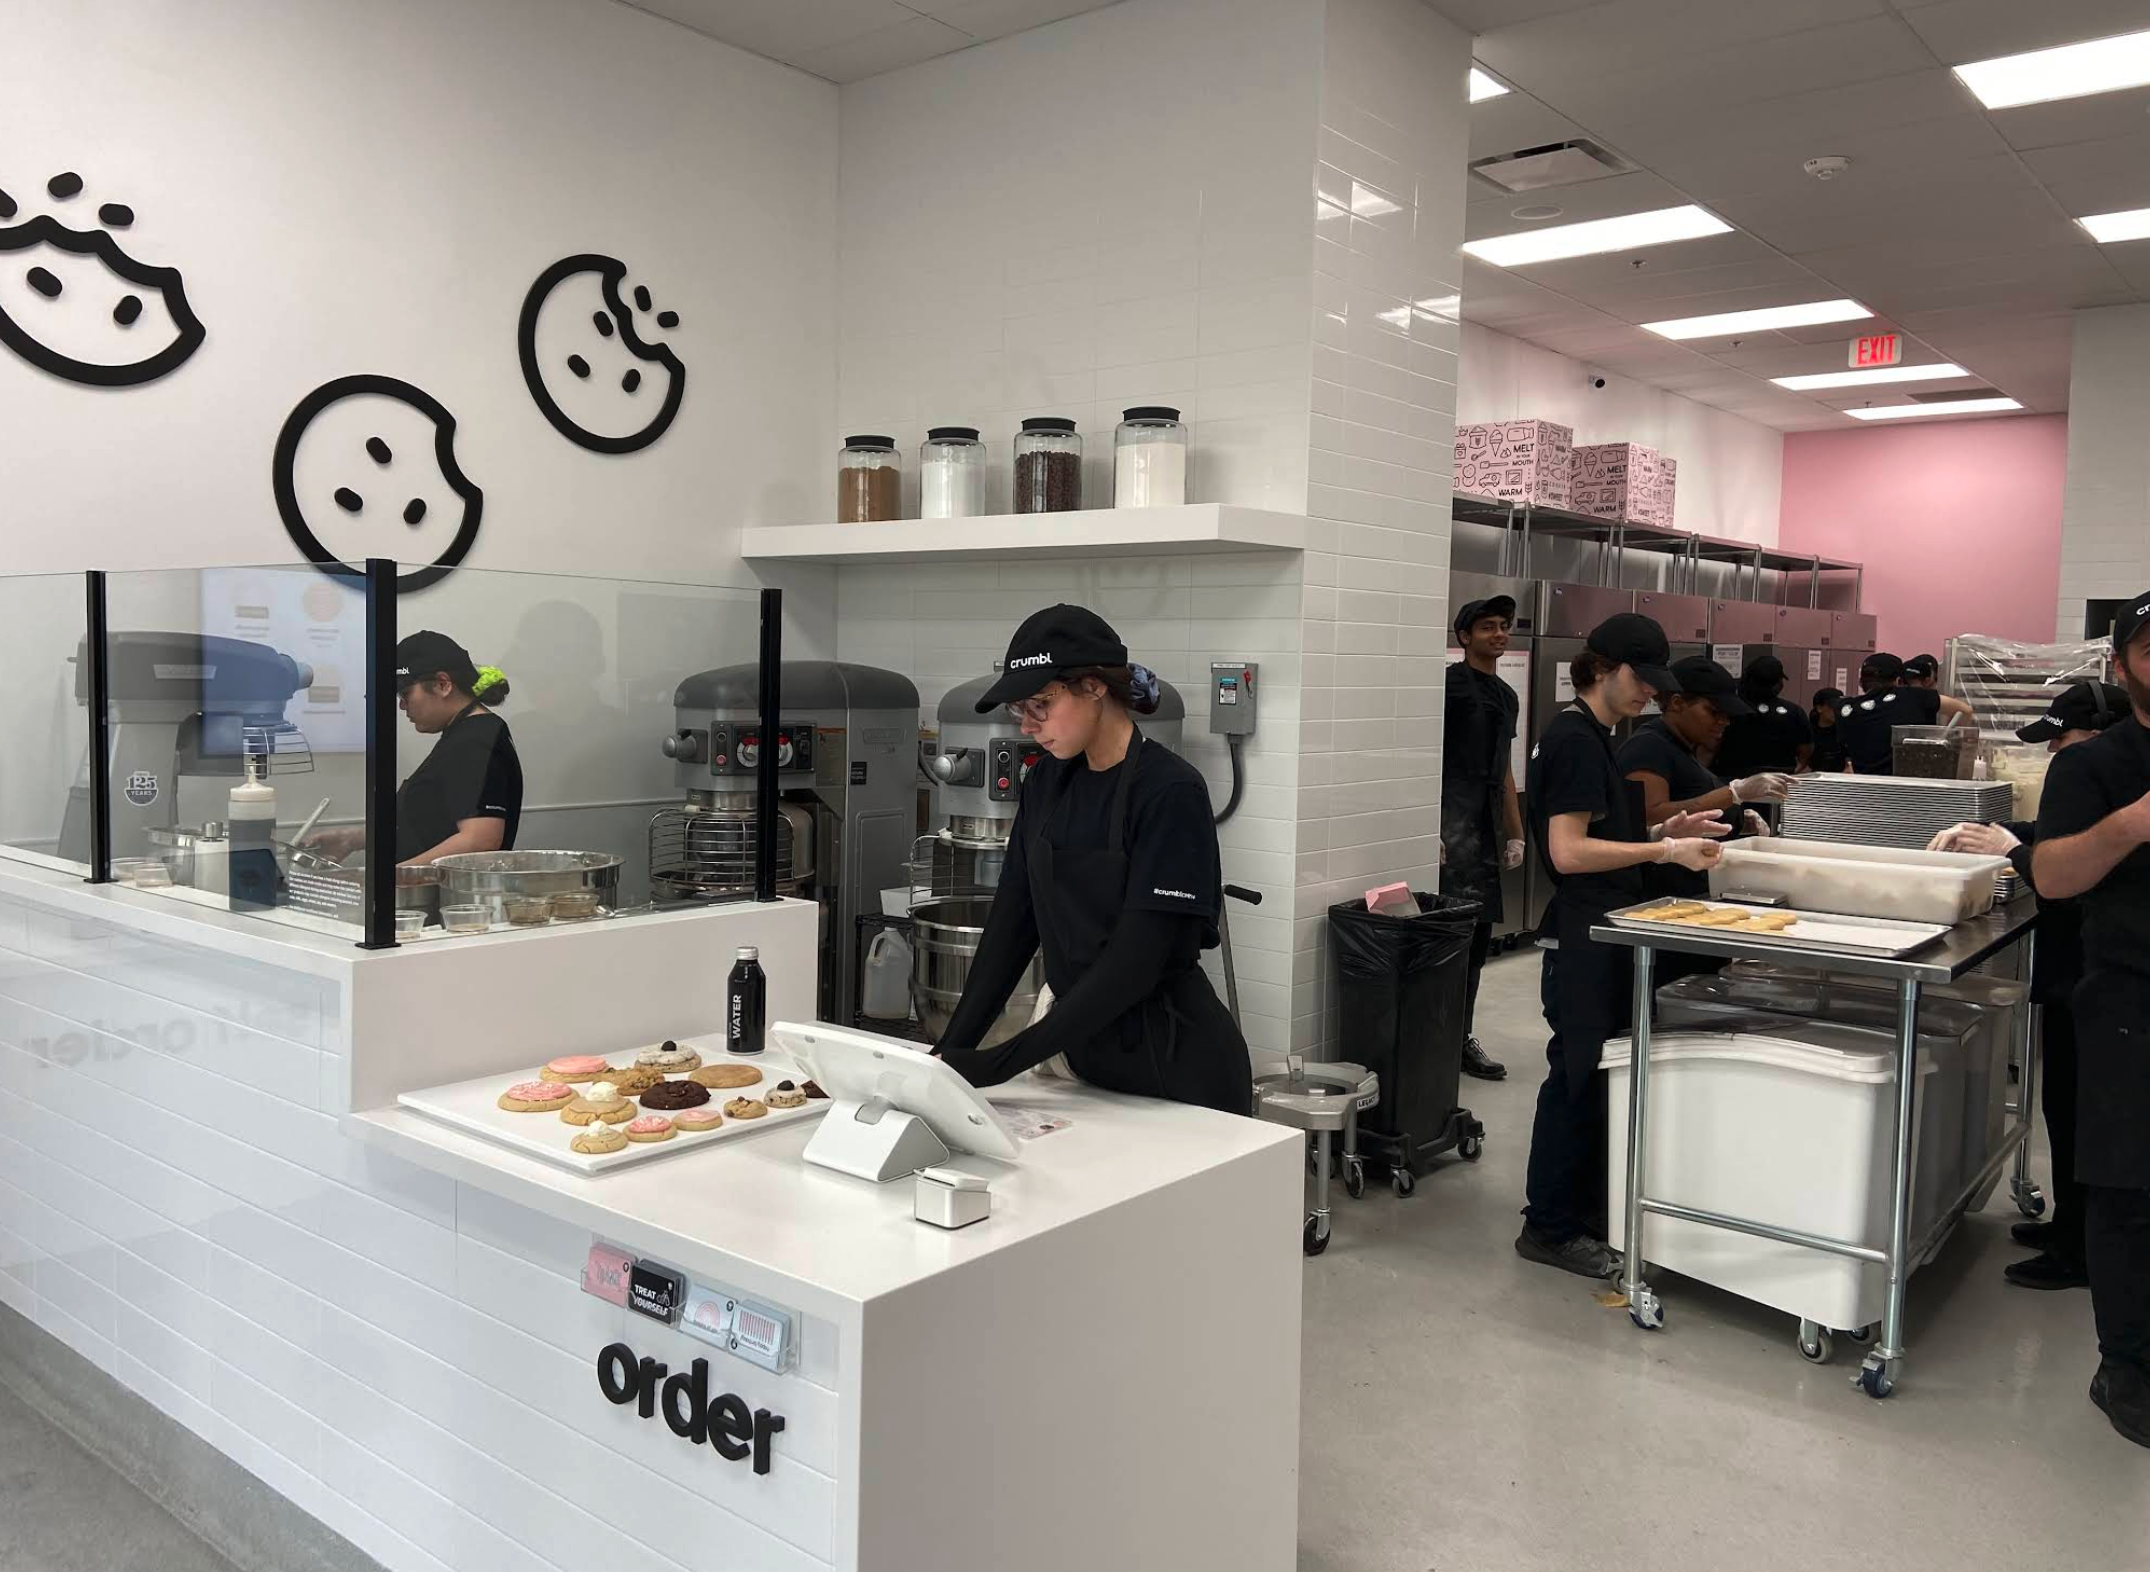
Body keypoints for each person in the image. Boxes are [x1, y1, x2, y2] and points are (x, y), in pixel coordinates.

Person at [931, 604, 1252, 1115]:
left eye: (1040, 703)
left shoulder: (1170, 791)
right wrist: (945, 1058)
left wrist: (999, 1063)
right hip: (1088, 1070)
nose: (1029, 725)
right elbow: (1012, 927)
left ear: (1096, 686)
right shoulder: (1046, 784)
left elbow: (1134, 966)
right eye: (1019, 710)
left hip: (1179, 1076)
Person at [1518, 613, 1728, 1279]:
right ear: (1603, 667)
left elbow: (1603, 822)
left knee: (1596, 1073)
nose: (1652, 696)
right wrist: (1667, 848)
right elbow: (1569, 849)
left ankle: (1580, 1212)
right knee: (1575, 1078)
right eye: (1643, 681)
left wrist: (1674, 821)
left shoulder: (1598, 735)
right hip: (1584, 935)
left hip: (1605, 928)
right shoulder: (1576, 738)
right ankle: (1548, 1227)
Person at [1930, 679, 2131, 1294]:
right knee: (2062, 1108)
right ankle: (2070, 1226)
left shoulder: (2124, 795)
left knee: (2087, 1117)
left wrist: (2016, 849)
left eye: (2061, 741)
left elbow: (2069, 876)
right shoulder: (2095, 784)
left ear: (2097, 737)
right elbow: (2056, 830)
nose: (2053, 756)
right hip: (2071, 980)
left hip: (2098, 982)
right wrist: (1993, 831)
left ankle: (2081, 1250)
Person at [2025, 594, 2150, 1451]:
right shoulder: (2095, 766)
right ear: (2121, 666)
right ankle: (2127, 1365)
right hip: (2131, 1005)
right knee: (2127, 1190)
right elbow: (2053, 876)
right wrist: (2133, 826)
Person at [308, 630, 522, 866]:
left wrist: (392, 878)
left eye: (406, 693)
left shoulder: (474, 742)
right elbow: (431, 824)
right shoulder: (466, 735)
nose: (401, 705)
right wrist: (352, 839)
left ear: (443, 685)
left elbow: (479, 840)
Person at [1617, 655, 1793, 905]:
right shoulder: (1649, 747)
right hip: (1660, 897)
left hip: (1692, 891)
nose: (1723, 721)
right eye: (1713, 711)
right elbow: (1650, 816)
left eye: (1727, 714)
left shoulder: (1683, 747)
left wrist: (1738, 820)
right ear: (1677, 703)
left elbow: (1689, 798)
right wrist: (1733, 794)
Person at [1440, 595, 1523, 1082]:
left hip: (1487, 830)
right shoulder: (1445, 689)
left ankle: (1461, 1036)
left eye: (1504, 626)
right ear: (1465, 636)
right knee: (1448, 940)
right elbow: (1425, 760)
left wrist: (1515, 834)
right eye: (1488, 626)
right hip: (1452, 827)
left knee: (1478, 943)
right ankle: (1435, 1034)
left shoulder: (1507, 697)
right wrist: (1427, 825)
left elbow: (1505, 772)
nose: (1499, 633)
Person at [1836, 652, 1974, 774]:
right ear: (1898, 681)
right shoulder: (1914, 696)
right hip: (1908, 789)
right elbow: (1965, 710)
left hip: (1864, 791)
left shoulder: (1844, 708)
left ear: (1860, 682)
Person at [1711, 654, 1813, 792]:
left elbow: (1712, 745)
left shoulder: (1731, 709)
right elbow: (1806, 751)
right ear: (1777, 683)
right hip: (1778, 783)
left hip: (1732, 783)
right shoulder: (1794, 712)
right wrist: (1792, 771)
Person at [1809, 687, 1850, 775]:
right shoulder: (1809, 731)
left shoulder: (1844, 731)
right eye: (1833, 707)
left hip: (1841, 779)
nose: (1837, 711)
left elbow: (1849, 764)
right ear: (1819, 708)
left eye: (1840, 707)